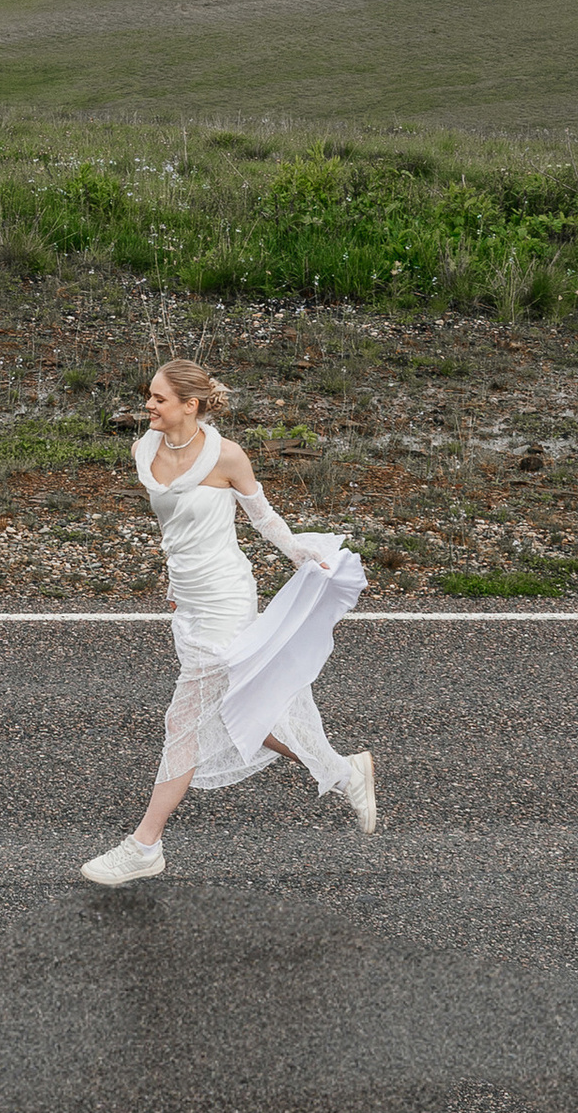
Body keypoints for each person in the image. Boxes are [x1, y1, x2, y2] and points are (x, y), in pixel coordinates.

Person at [82, 356, 374, 885]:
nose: (148, 405)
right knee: (238, 708)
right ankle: (340, 770)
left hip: (225, 599)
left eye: (159, 398)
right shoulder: (142, 448)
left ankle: (143, 846)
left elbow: (262, 516)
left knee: (183, 722)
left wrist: (301, 555)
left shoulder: (226, 455)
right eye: (149, 395)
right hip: (188, 601)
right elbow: (176, 531)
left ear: (189, 405)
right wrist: (174, 587)